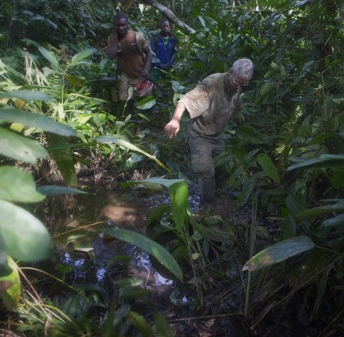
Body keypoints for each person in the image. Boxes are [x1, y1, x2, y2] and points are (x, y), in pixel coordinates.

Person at [164, 58, 254, 204]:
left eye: (244, 84)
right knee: (206, 171)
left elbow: (235, 105)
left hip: (217, 135)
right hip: (199, 134)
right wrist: (175, 120)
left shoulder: (237, 84)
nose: (240, 87)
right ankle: (207, 207)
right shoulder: (212, 84)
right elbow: (185, 101)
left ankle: (219, 195)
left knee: (221, 169)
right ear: (231, 72)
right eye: (238, 82)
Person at [105, 13, 152, 117]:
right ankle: (130, 122)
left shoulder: (137, 36)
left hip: (141, 74)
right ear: (114, 26)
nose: (121, 28)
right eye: (118, 25)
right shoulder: (112, 39)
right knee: (126, 101)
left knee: (146, 101)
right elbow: (111, 56)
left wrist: (146, 69)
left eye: (123, 25)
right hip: (126, 75)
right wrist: (115, 41)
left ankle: (147, 122)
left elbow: (148, 53)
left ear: (127, 24)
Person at [150, 19, 178, 83]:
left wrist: (168, 64)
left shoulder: (174, 39)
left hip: (168, 68)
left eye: (167, 26)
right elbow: (151, 52)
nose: (166, 28)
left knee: (168, 85)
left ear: (170, 27)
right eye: (164, 26)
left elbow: (175, 54)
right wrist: (159, 64)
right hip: (156, 67)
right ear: (160, 27)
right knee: (152, 84)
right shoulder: (155, 38)